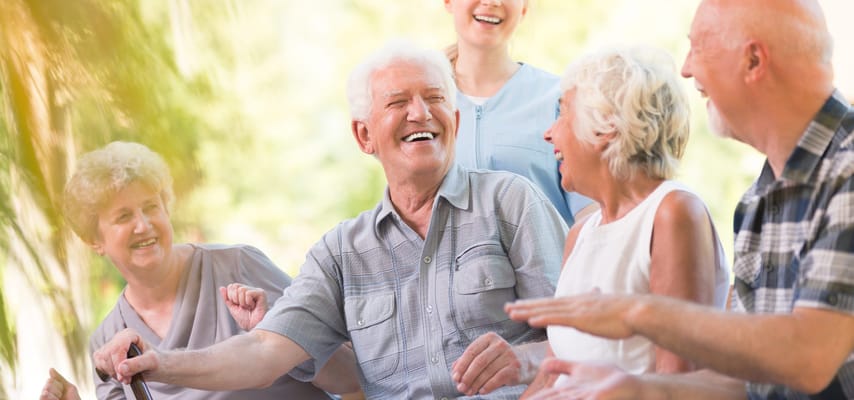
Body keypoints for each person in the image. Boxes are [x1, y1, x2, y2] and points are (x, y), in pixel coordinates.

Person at [91, 40, 567, 399]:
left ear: (456, 123)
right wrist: (161, 363)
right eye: (398, 102)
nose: (420, 113)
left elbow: (582, 339)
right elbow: (263, 351)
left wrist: (524, 361)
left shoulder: (510, 202)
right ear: (364, 136)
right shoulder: (341, 253)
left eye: (435, 98)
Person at [505, 0, 854, 399]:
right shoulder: (758, 201)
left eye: (699, 46)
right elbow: (745, 381)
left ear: (753, 60)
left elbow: (810, 357)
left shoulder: (846, 170)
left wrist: (639, 313)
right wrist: (636, 388)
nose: (686, 69)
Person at [449, 45, 731, 397]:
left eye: (563, 114)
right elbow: (554, 372)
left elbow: (675, 381)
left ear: (605, 127)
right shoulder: (582, 234)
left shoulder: (672, 212)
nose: (548, 134)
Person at [40, 141, 356, 400]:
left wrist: (282, 334)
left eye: (151, 207)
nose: (143, 225)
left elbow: (352, 375)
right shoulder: (107, 341)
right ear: (94, 240)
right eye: (123, 216)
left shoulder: (238, 265)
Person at [444, 0, 593, 226]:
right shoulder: (422, 104)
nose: (491, 2)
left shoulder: (560, 99)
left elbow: (590, 215)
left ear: (523, 8)